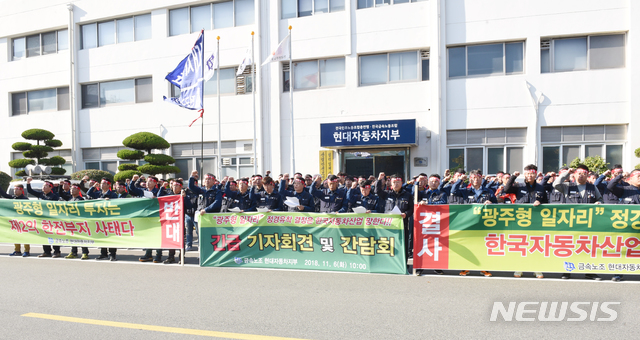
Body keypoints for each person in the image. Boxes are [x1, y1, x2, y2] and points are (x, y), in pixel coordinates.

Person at [554, 164, 603, 280]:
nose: (581, 176)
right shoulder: (567, 186)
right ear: (575, 174)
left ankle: (589, 271)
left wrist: (599, 203)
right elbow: (555, 184)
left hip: (588, 223)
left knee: (587, 247)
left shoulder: (592, 188)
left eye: (584, 174)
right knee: (569, 246)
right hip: (570, 223)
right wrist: (566, 173)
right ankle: (567, 270)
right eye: (579, 173)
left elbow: (600, 199)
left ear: (587, 175)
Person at [502, 164, 546, 279]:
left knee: (536, 245)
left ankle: (537, 269)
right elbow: (506, 189)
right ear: (524, 175)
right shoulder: (518, 186)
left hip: (536, 220)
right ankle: (519, 267)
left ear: (535, 174)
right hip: (520, 220)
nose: (529, 176)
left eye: (532, 173)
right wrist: (513, 177)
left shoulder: (541, 188)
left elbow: (547, 203)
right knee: (521, 244)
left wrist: (540, 203)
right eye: (527, 173)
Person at [451, 170, 495, 277]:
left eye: (478, 177)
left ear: (481, 179)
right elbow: (453, 191)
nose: (476, 180)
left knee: (482, 245)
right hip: (468, 222)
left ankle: (484, 267)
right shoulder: (465, 191)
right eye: (473, 178)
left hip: (483, 222)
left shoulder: (488, 191)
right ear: (470, 179)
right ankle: (466, 267)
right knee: (468, 245)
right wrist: (460, 180)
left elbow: (496, 204)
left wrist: (491, 203)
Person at [605, 169, 640, 282]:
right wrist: (620, 176)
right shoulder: (624, 190)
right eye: (638, 175)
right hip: (626, 228)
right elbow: (610, 186)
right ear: (630, 178)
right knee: (622, 250)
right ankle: (618, 273)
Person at [375, 173, 414, 263]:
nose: (396, 184)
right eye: (394, 182)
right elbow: (377, 191)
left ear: (402, 183)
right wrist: (379, 180)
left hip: (402, 224)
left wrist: (406, 214)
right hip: (389, 224)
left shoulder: (407, 195)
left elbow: (411, 208)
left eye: (398, 182)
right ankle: (389, 263)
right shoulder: (387, 194)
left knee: (402, 244)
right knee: (388, 244)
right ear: (391, 184)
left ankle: (403, 264)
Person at [158, 180, 193, 264]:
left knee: (181, 239)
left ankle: (181, 257)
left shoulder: (184, 195)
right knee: (171, 239)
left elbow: (189, 206)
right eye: (173, 186)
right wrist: (162, 187)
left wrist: (184, 197)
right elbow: (159, 197)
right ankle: (171, 257)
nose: (174, 187)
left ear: (181, 187)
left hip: (179, 221)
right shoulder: (169, 195)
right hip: (170, 220)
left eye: (177, 186)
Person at [26, 178, 62, 258]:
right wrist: (28, 183)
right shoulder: (41, 195)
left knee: (53, 235)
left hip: (52, 219)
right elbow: (30, 191)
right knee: (44, 235)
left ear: (50, 188)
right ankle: (46, 251)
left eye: (46, 186)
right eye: (43, 186)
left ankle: (56, 251)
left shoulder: (54, 196)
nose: (44, 187)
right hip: (42, 219)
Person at [1, 184, 31, 257]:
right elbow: (4, 194)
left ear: (21, 190)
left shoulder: (25, 199)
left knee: (25, 236)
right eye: (14, 189)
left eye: (17, 189)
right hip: (15, 220)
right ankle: (17, 250)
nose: (15, 191)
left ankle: (26, 251)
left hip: (23, 220)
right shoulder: (13, 198)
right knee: (15, 236)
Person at [63, 184, 90, 260]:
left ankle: (85, 252)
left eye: (74, 189)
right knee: (73, 237)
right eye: (71, 189)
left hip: (79, 222)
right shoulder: (70, 200)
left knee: (81, 237)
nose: (72, 190)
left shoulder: (80, 200)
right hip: (71, 222)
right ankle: (73, 252)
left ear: (78, 190)